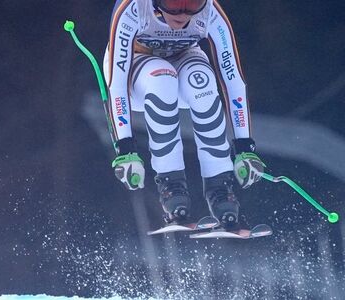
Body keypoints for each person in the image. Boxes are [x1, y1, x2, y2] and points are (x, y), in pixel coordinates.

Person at [104, 0, 265, 230]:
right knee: (162, 78)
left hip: (184, 58)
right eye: (173, 3)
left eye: (193, 4)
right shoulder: (133, 7)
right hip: (138, 71)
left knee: (202, 80)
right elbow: (117, 84)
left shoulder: (211, 12)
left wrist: (244, 147)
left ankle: (221, 190)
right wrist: (126, 149)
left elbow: (233, 82)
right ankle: (172, 188)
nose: (182, 13)